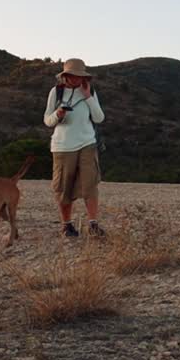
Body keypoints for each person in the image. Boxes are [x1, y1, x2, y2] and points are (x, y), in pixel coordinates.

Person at [43, 58, 105, 237]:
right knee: (63, 188)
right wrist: (58, 114)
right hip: (62, 146)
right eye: (73, 75)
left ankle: (93, 225)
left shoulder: (90, 91)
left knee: (90, 185)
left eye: (80, 76)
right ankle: (67, 225)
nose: (77, 79)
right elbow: (47, 120)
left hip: (87, 144)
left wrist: (88, 97)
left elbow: (99, 118)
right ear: (65, 76)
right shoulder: (56, 92)